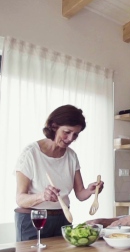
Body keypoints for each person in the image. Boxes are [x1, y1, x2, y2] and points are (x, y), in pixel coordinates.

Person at [14, 104, 103, 242]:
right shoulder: (30, 154)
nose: (70, 138)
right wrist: (42, 196)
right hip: (33, 220)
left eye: (76, 134)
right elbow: (20, 199)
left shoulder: (71, 156)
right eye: (67, 132)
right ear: (54, 126)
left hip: (63, 218)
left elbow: (80, 194)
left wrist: (91, 191)